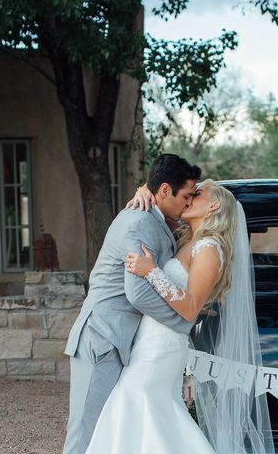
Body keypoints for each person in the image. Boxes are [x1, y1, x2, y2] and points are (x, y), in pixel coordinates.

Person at [84, 180, 274, 454]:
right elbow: (163, 198)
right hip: (149, 340)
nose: (188, 199)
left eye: (196, 194)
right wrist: (143, 191)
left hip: (162, 346)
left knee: (136, 405)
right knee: (150, 416)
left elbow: (190, 308)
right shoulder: (188, 239)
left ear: (214, 205)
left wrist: (150, 271)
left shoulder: (210, 248)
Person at [62, 154, 201, 454]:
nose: (188, 204)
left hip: (120, 342)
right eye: (186, 196)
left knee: (108, 435)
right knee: (86, 433)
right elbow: (138, 292)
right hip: (101, 338)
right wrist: (182, 321)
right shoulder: (140, 222)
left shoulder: (156, 218)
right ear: (165, 191)